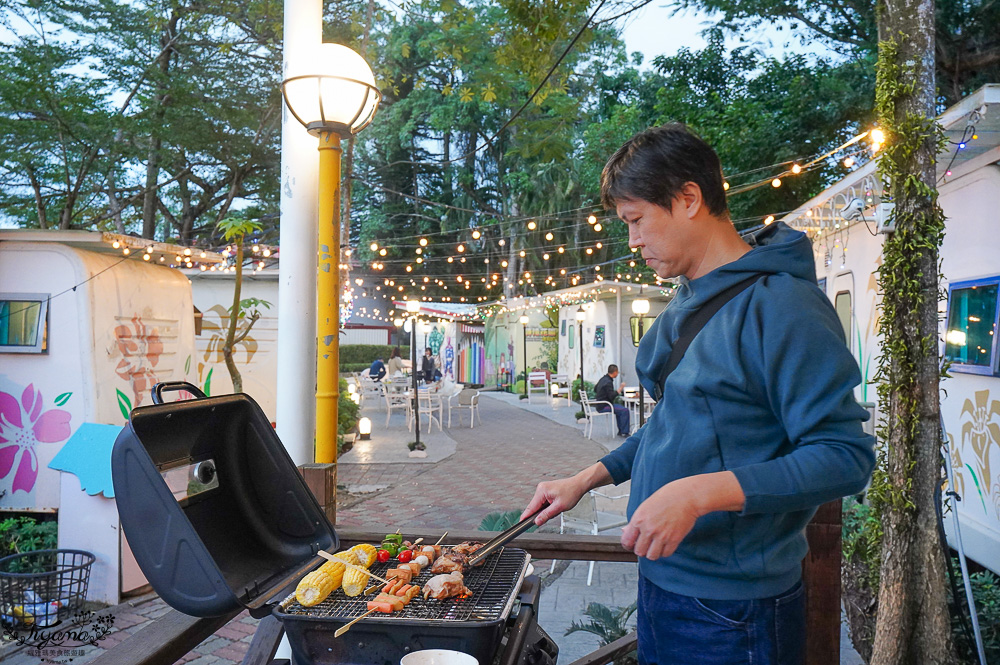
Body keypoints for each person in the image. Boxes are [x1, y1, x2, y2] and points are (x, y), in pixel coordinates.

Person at [521, 123, 875, 665]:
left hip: (735, 611)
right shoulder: (689, 298)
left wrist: (699, 494)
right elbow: (676, 423)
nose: (632, 241)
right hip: (665, 582)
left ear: (689, 198)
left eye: (637, 220)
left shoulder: (781, 306)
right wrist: (589, 477)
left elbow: (845, 458)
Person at [594, 364, 630, 437]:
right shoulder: (608, 382)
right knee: (624, 410)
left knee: (620, 410)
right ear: (615, 372)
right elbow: (611, 396)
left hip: (600, 404)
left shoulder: (603, 379)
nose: (617, 374)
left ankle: (621, 430)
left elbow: (595, 389)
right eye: (617, 372)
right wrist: (620, 388)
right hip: (604, 406)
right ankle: (624, 432)